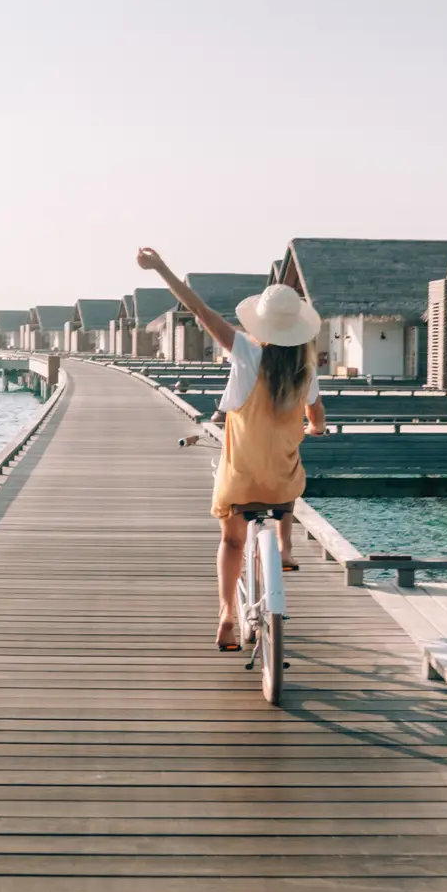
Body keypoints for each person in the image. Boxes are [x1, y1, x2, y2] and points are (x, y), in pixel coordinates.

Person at [137, 248, 326, 650]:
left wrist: (160, 267)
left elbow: (199, 310)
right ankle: (284, 547)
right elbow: (317, 415)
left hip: (240, 475)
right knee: (289, 489)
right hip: (281, 480)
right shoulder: (305, 370)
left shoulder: (246, 352)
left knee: (232, 542)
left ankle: (226, 613)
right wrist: (315, 428)